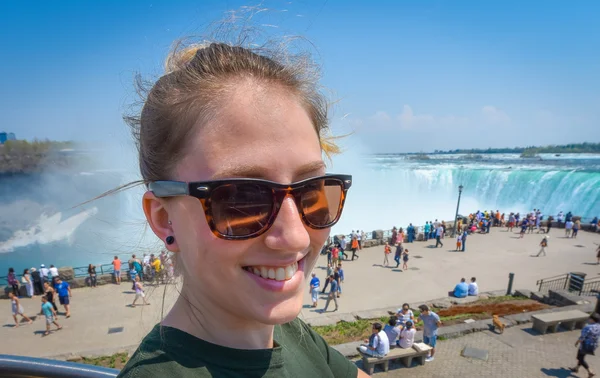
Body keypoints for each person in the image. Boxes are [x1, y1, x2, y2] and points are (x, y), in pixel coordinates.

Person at [115, 35, 360, 377]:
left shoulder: (293, 337)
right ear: (165, 218)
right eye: (242, 201)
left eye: (312, 191)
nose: (296, 238)